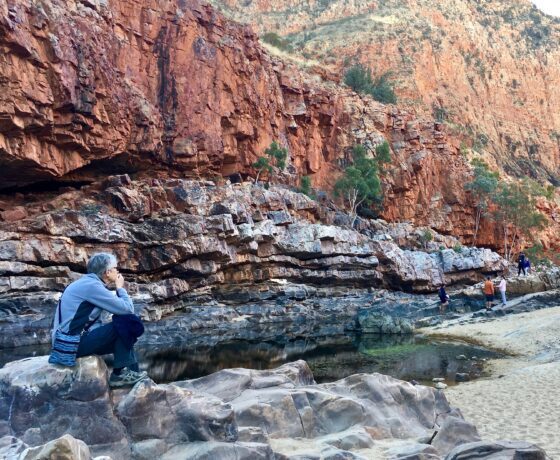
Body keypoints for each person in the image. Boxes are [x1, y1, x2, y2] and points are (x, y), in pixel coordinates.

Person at [51, 253, 147, 387]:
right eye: (115, 268)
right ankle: (120, 375)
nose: (117, 271)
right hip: (71, 344)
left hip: (67, 341)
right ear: (107, 272)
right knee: (127, 321)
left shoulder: (86, 283)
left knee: (124, 331)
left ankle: (131, 374)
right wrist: (120, 288)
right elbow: (127, 310)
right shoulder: (92, 286)